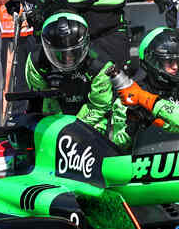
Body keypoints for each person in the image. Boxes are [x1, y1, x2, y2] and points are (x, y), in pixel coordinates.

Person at [25, 13, 127, 145]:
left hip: (92, 117)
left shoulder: (101, 65)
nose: (68, 59)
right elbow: (38, 100)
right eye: (60, 54)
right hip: (54, 114)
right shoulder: (36, 63)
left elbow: (99, 106)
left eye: (73, 52)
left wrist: (73, 129)